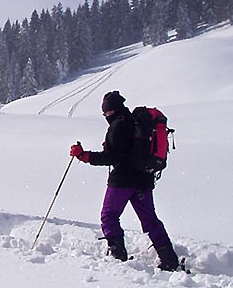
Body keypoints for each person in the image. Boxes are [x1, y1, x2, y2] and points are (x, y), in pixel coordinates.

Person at [70, 90, 181, 271]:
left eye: (105, 112)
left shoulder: (118, 126)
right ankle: (168, 258)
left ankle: (117, 254)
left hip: (122, 180)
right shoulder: (137, 123)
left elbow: (110, 157)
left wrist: (84, 155)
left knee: (109, 215)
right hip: (144, 180)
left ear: (110, 111)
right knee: (150, 220)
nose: (105, 116)